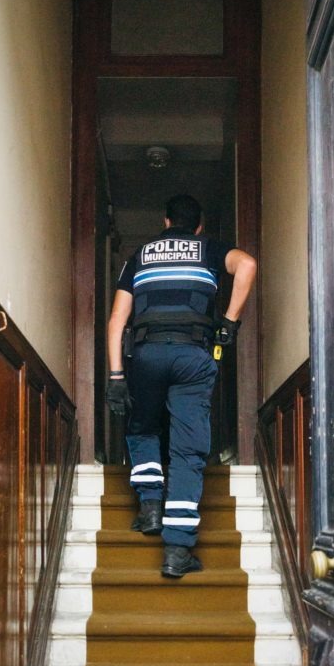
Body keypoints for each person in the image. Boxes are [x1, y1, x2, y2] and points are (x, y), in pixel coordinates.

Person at [105, 193, 257, 578]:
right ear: (199, 226)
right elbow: (247, 266)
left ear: (166, 222)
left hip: (147, 354)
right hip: (192, 355)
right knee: (188, 450)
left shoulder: (139, 256)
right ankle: (176, 550)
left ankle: (151, 507)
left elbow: (116, 321)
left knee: (142, 428)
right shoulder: (208, 248)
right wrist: (230, 321)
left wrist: (116, 376)